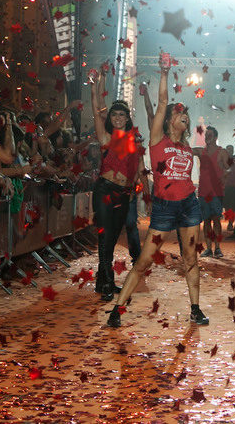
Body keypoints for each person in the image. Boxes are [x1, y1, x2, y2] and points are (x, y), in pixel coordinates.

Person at [107, 59, 208, 327]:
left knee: (190, 258)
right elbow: (162, 103)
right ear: (169, 121)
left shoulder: (188, 150)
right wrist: (164, 72)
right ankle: (117, 310)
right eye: (179, 113)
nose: (184, 116)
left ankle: (195, 309)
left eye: (186, 113)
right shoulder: (157, 142)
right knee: (143, 261)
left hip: (188, 206)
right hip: (164, 208)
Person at [89, 66, 143, 302]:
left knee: (111, 239)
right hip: (104, 190)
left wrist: (132, 193)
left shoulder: (131, 141)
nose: (118, 118)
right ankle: (108, 283)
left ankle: (102, 282)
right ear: (110, 119)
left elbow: (135, 171)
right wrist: (96, 85)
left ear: (128, 118)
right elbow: (96, 109)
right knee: (105, 236)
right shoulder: (107, 138)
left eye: (122, 115)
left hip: (123, 193)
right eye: (114, 115)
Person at [194, 125, 230, 259]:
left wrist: (224, 177)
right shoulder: (200, 151)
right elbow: (186, 150)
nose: (207, 137)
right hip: (203, 192)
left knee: (216, 219)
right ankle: (209, 248)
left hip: (216, 192)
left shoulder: (222, 152)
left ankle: (218, 248)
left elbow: (230, 168)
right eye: (206, 135)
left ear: (215, 137)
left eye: (210, 135)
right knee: (206, 221)